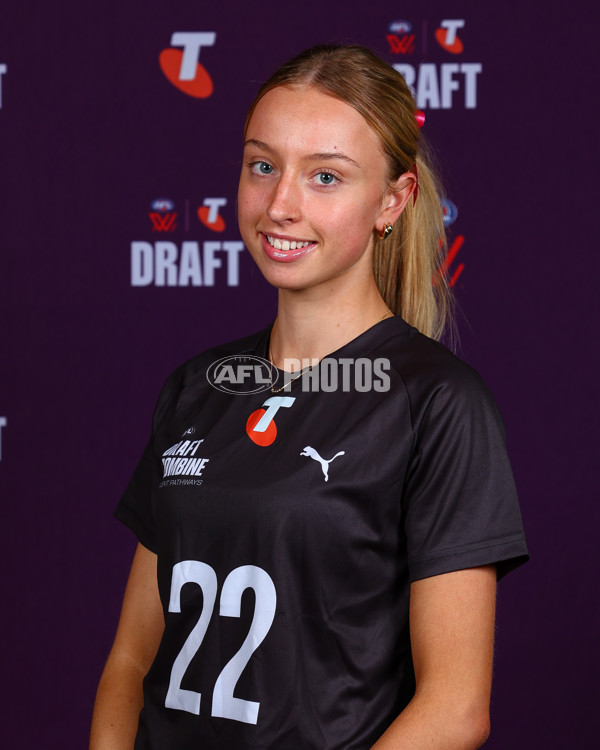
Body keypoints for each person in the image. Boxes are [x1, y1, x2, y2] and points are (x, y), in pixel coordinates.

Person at [89, 45, 528, 750]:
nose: (280, 203)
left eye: (325, 176)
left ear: (393, 200)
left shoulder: (437, 404)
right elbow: (132, 658)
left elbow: (455, 707)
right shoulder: (197, 386)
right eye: (263, 165)